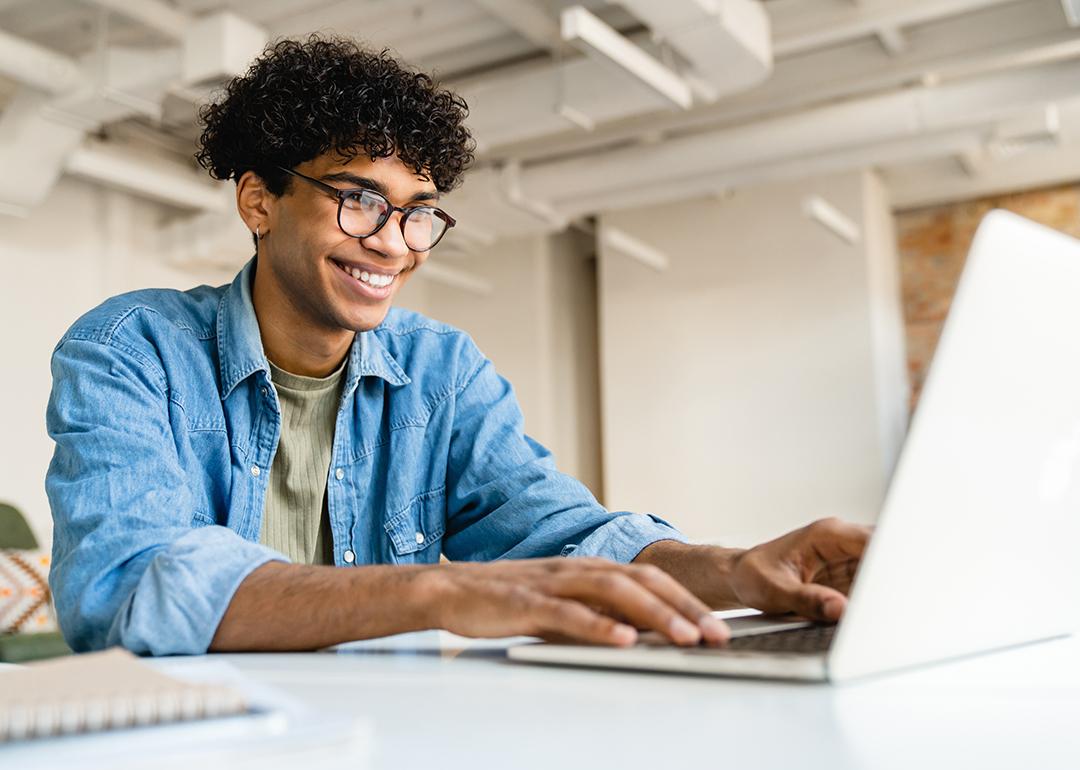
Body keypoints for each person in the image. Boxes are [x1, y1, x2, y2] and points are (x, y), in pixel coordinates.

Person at [45, 36, 869, 656]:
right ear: (259, 201)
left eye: (417, 212)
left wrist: (738, 570)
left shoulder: (441, 370)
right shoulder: (131, 350)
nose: (392, 242)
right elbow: (129, 586)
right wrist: (439, 591)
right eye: (359, 199)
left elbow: (562, 536)